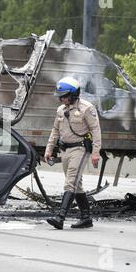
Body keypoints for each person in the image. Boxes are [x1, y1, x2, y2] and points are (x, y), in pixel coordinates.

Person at [44, 77, 101, 229]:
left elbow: (96, 130)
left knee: (70, 182)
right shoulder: (61, 110)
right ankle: (86, 218)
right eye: (60, 96)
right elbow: (55, 131)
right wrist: (49, 149)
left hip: (80, 149)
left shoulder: (86, 108)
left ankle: (60, 217)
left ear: (74, 94)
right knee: (77, 184)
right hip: (65, 150)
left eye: (65, 95)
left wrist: (96, 152)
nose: (62, 99)